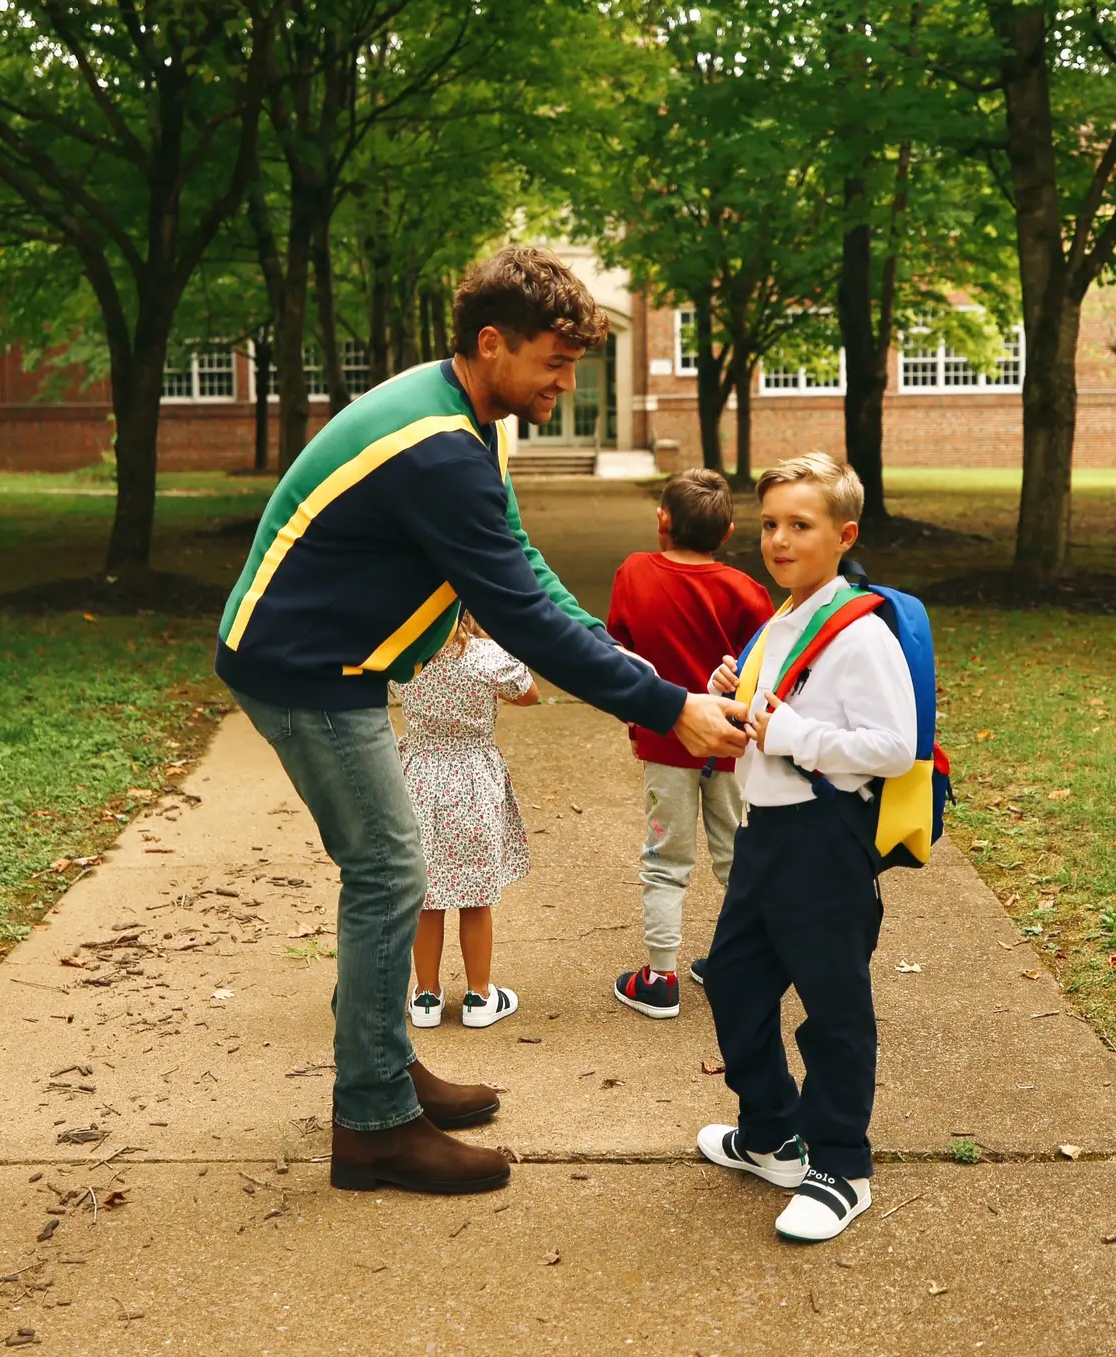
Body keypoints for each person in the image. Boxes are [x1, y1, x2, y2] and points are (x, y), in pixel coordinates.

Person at [216, 246, 749, 1198]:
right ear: (493, 343)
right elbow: (520, 616)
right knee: (388, 871)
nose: (565, 382)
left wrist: (634, 666)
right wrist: (669, 705)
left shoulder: (469, 416)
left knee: (393, 866)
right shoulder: (437, 450)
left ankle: (383, 1067)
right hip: (302, 668)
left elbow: (525, 569)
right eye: (554, 361)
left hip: (335, 660)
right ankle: (374, 1124)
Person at [696, 453, 916, 1243]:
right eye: (769, 525)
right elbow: (776, 703)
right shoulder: (783, 616)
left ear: (843, 533)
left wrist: (790, 731)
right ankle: (770, 1135)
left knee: (834, 1009)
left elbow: (893, 744)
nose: (779, 540)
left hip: (823, 843)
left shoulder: (860, 630)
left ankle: (841, 1165)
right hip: (765, 834)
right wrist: (740, 688)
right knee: (733, 982)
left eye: (800, 525)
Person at [606, 469, 773, 1019]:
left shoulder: (633, 573)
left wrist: (639, 722)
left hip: (665, 745)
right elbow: (767, 671)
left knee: (664, 860)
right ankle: (742, 964)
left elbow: (619, 656)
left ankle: (659, 978)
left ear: (663, 521)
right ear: (727, 532)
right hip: (730, 746)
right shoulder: (747, 592)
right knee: (737, 859)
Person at [398, 613, 537, 1031]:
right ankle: (479, 996)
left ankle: (425, 997)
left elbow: (384, 684)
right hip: (474, 779)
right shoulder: (487, 657)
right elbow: (530, 694)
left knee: (427, 895)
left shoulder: (406, 655)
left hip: (418, 775)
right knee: (475, 896)